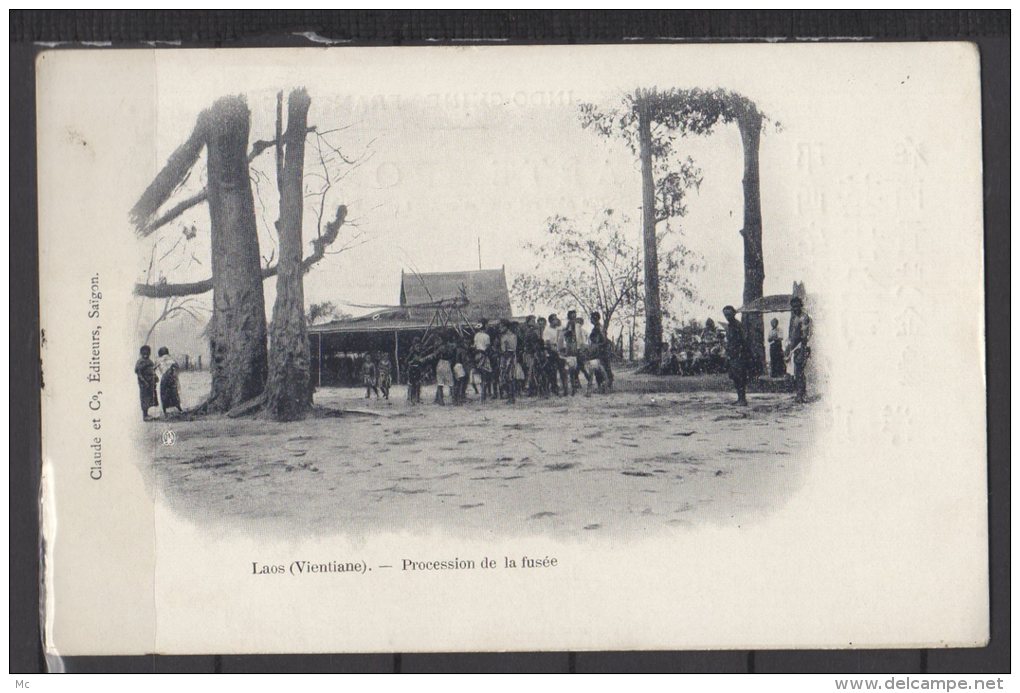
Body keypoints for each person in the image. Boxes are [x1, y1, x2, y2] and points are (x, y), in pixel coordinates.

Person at [786, 296, 812, 403]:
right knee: (796, 372)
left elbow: (805, 336)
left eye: (797, 306)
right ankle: (799, 393)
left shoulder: (804, 317)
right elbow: (791, 335)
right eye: (793, 307)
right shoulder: (793, 318)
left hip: (801, 346)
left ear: (801, 306)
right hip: (793, 348)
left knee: (800, 371)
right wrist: (788, 348)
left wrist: (802, 350)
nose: (795, 308)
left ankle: (801, 395)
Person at [722, 305, 750, 406]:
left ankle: (743, 399)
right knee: (734, 377)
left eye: (729, 314)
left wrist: (741, 353)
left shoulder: (738, 325)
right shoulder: (729, 326)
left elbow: (744, 340)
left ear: (734, 313)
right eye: (725, 315)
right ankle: (739, 398)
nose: (727, 317)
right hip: (731, 354)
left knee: (740, 377)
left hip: (739, 355)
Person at [589, 311, 613, 391]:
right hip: (602, 350)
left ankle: (603, 385)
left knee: (600, 368)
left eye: (591, 318)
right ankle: (606, 385)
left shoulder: (598, 328)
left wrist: (597, 345)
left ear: (594, 319)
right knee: (604, 367)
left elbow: (602, 339)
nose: (590, 320)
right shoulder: (599, 327)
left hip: (600, 350)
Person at [155, 346, 182, 416]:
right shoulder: (171, 359)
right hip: (172, 377)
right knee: (174, 393)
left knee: (164, 394)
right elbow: (177, 367)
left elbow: (154, 368)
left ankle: (164, 411)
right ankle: (179, 408)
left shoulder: (159, 360)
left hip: (164, 378)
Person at [134, 345, 157, 421]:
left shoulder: (149, 361)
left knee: (149, 399)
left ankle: (147, 414)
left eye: (147, 352)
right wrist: (144, 382)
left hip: (151, 383)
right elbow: (139, 373)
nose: (146, 354)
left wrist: (155, 376)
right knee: (144, 399)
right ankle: (145, 416)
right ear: (141, 353)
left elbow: (152, 370)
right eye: (144, 353)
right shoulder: (140, 362)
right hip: (144, 384)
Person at [498, 320, 518, 404]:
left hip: (509, 358)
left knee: (509, 377)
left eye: (501, 327)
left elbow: (511, 349)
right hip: (505, 358)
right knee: (506, 378)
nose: (500, 328)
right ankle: (510, 396)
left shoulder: (512, 336)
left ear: (506, 327)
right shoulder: (503, 336)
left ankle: (511, 397)